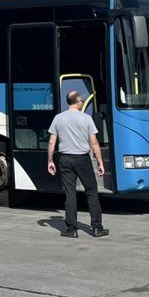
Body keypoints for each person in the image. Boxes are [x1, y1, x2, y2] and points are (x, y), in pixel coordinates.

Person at [47, 89, 107, 238]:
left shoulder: (58, 118)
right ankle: (97, 227)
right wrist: (100, 163)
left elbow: (51, 142)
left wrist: (50, 161)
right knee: (91, 191)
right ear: (79, 102)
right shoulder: (86, 118)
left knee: (70, 193)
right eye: (82, 101)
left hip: (65, 159)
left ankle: (71, 229)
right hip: (82, 159)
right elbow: (94, 143)